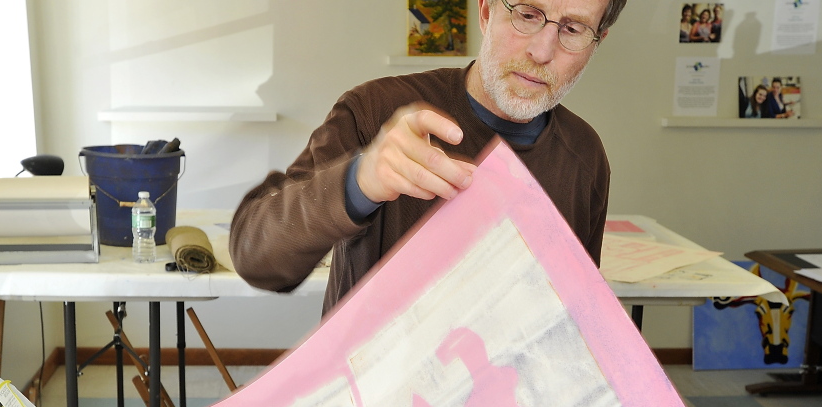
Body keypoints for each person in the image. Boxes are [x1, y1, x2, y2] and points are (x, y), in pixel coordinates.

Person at [230, 0, 628, 314]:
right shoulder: (375, 109)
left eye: (573, 29)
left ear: (596, 43)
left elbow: (576, 315)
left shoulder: (585, 155)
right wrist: (360, 181)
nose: (542, 51)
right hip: (374, 405)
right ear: (487, 11)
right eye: (527, 13)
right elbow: (254, 255)